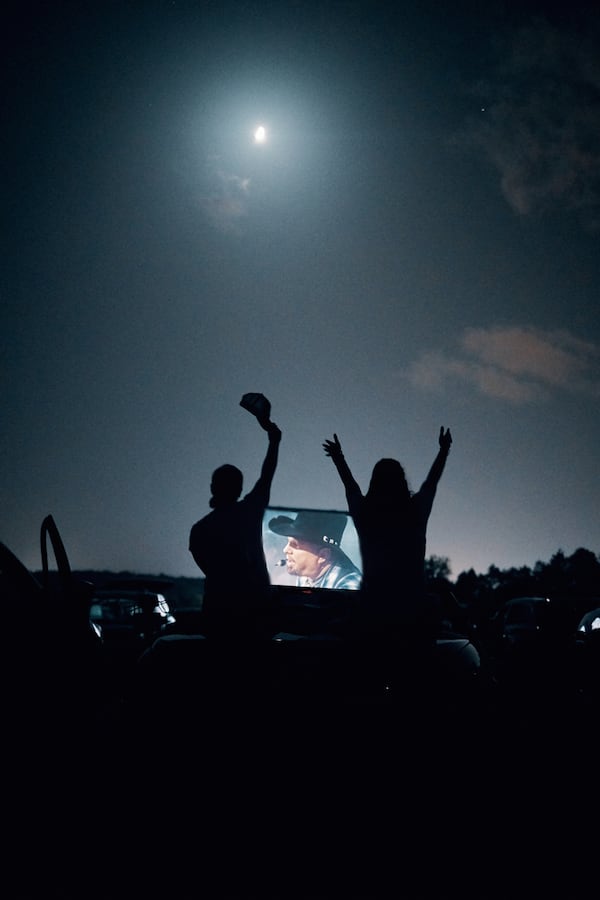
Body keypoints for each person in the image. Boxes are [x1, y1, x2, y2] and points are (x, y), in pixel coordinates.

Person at [322, 427, 452, 638]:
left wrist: (338, 457)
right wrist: (444, 450)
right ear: (402, 482)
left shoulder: (365, 514)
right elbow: (431, 483)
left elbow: (351, 487)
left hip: (373, 611)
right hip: (413, 613)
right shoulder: (416, 512)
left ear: (374, 483)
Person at [189, 393, 281, 637]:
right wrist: (273, 438)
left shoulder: (199, 530)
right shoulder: (250, 512)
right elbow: (267, 473)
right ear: (240, 488)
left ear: (212, 487)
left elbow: (207, 567)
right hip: (255, 614)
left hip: (219, 614)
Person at [268, 509, 361, 591]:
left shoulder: (350, 586)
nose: (285, 550)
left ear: (323, 556)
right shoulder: (306, 574)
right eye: (288, 543)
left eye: (294, 545)